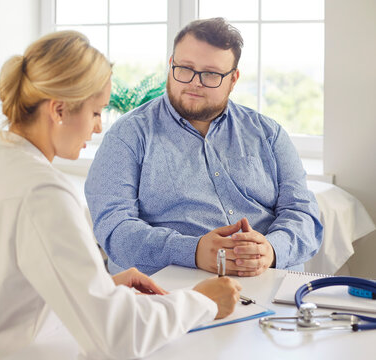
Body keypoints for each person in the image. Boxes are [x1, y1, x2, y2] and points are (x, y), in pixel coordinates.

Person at [0, 30, 241, 360]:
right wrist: (202, 301)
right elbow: (117, 336)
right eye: (95, 112)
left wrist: (98, 287)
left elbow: (0, 293)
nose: (97, 128)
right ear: (59, 110)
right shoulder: (42, 192)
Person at [85, 18, 323, 277]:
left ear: (233, 79)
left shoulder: (269, 134)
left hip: (271, 281)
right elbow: (114, 228)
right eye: (185, 68)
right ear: (170, 65)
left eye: (211, 74)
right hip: (172, 289)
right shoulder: (128, 135)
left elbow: (303, 213)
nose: (195, 82)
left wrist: (272, 249)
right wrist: (193, 251)